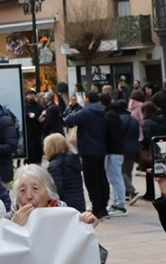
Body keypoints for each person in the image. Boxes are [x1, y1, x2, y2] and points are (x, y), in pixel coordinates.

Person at [64, 91, 109, 220]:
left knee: (91, 180)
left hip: (88, 150)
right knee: (101, 177)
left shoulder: (86, 112)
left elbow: (69, 119)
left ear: (87, 99)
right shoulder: (102, 111)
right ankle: (103, 207)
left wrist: (72, 108)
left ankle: (97, 208)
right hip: (101, 149)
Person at [8, 164, 98, 227]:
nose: (29, 196)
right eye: (22, 190)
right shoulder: (8, 220)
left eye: (35, 189)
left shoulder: (64, 215)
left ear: (49, 193)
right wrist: (13, 227)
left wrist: (83, 225)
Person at [43, 132, 85, 211]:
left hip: (65, 206)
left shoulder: (55, 165)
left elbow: (56, 189)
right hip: (79, 203)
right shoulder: (73, 160)